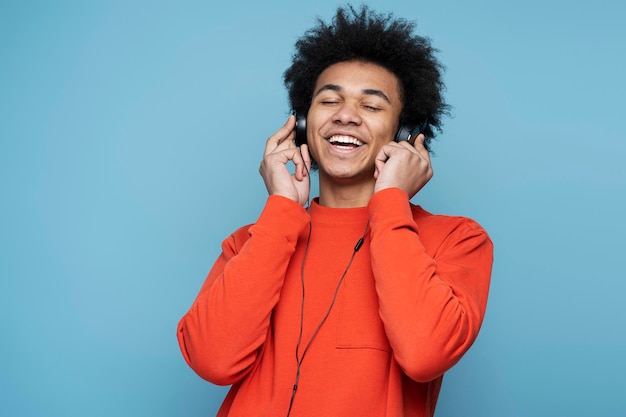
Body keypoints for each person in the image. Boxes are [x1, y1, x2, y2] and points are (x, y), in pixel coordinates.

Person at [177, 5, 493, 417]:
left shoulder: (456, 240)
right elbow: (212, 361)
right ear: (305, 122)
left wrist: (391, 203)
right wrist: (280, 211)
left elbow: (424, 354)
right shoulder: (253, 241)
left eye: (372, 106)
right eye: (329, 101)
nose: (346, 115)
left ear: (404, 134)